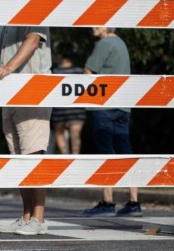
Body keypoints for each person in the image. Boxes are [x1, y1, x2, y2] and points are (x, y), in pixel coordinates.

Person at [0, 0, 52, 236]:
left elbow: (32, 40)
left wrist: (7, 69)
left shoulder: (34, 4)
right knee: (18, 158)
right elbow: (3, 52)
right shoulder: (6, 8)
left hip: (32, 91)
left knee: (33, 154)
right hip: (10, 93)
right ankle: (26, 215)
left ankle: (38, 219)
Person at [82, 27, 142, 217]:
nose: (92, 27)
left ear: (107, 25)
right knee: (126, 152)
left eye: (96, 23)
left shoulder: (104, 43)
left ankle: (108, 202)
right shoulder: (122, 44)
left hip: (104, 105)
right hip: (123, 105)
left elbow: (88, 71)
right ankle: (134, 201)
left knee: (105, 153)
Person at [51, 48, 86, 154]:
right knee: (76, 137)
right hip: (76, 111)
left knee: (59, 134)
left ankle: (65, 158)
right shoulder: (79, 72)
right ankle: (75, 158)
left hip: (59, 110)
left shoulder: (54, 72)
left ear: (60, 56)